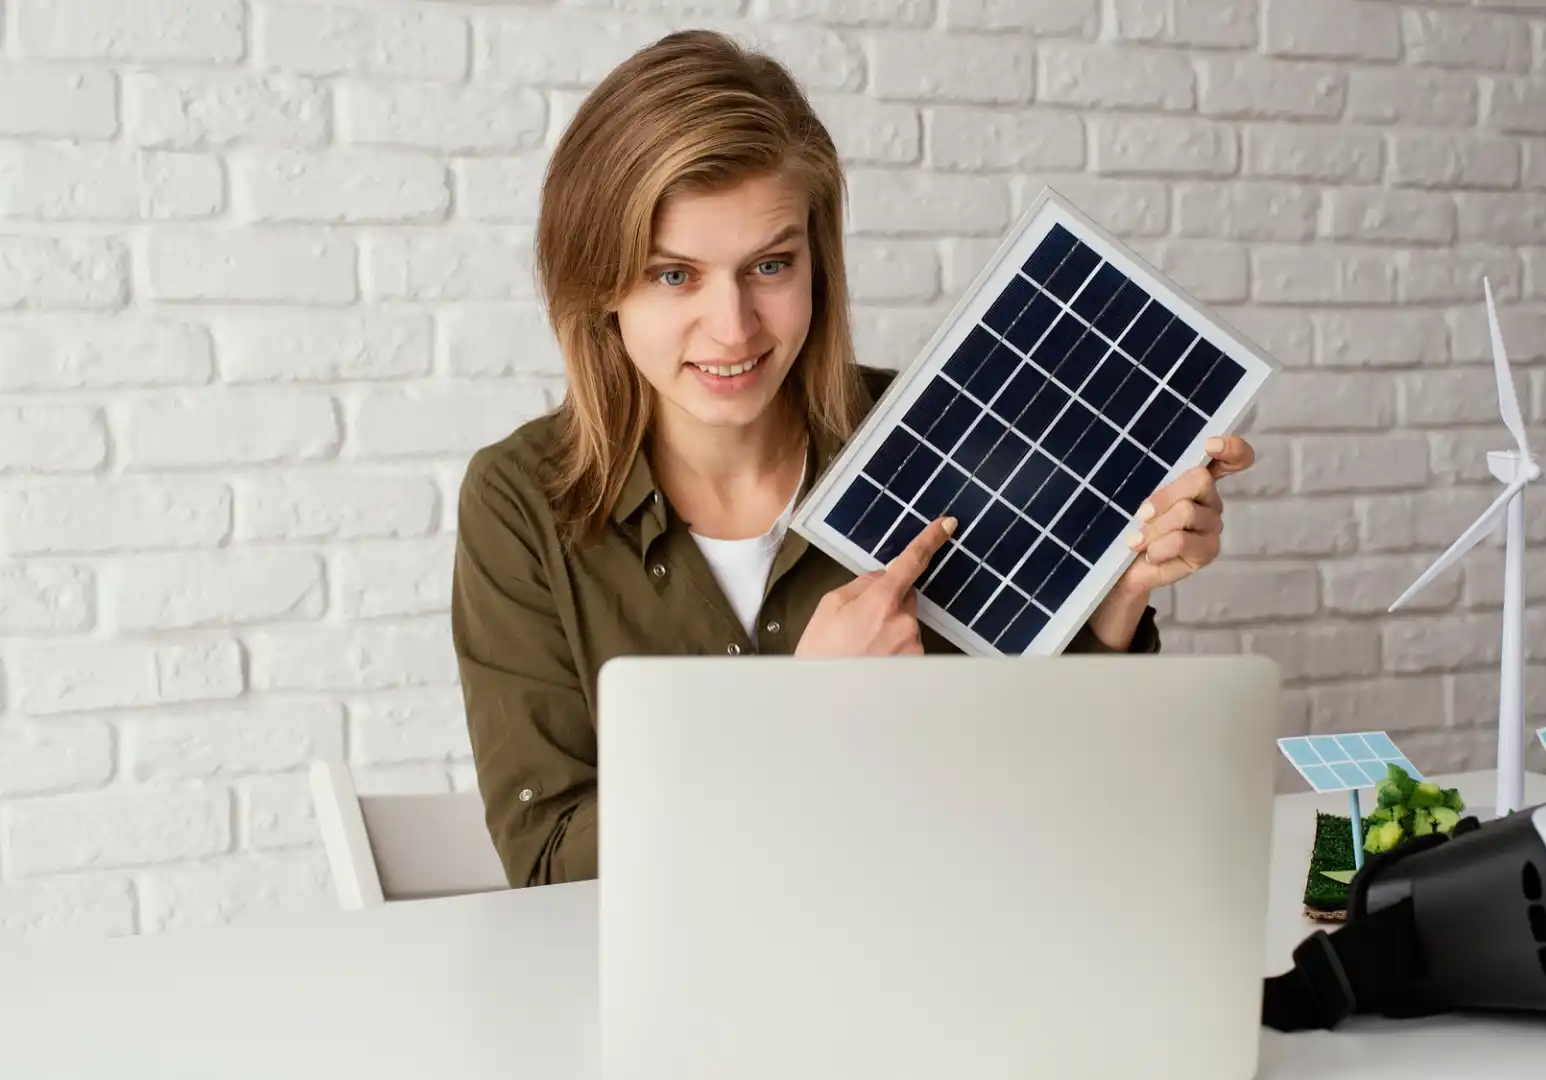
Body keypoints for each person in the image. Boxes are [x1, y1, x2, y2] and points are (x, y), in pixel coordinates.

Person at [450, 29, 1257, 887]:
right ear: (599, 282)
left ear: (818, 261)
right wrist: (803, 717)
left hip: (936, 958)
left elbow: (1056, 785)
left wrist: (1120, 591)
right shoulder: (521, 502)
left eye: (770, 265)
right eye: (675, 276)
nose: (733, 328)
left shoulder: (938, 429)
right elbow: (549, 867)